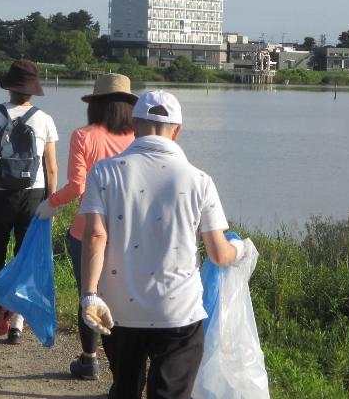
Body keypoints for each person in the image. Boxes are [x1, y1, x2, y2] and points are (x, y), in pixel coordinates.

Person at [79, 90, 246, 399]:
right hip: (178, 313)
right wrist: (244, 250)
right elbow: (219, 254)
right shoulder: (199, 180)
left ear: (134, 124)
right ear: (178, 130)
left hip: (118, 311)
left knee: (125, 389)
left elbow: (95, 236)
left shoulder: (103, 172)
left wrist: (90, 295)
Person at [35, 73, 137, 379]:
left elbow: (77, 186)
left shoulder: (84, 135)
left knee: (90, 294)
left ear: (95, 105)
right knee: (123, 297)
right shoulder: (139, 137)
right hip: (129, 230)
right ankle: (125, 369)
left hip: (86, 230)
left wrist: (51, 202)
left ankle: (90, 359)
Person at [0, 59, 58, 345]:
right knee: (25, 258)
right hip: (34, 194)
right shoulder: (44, 119)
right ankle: (17, 324)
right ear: (33, 90)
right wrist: (51, 203)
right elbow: (52, 168)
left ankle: (2, 300)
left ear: (8, 87)